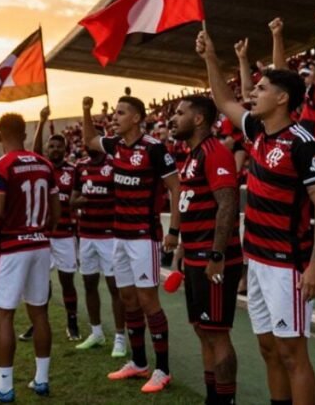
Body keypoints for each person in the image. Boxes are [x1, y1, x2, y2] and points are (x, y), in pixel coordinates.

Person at [198, 29, 315, 405]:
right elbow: (224, 101)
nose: (252, 94)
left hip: (287, 265)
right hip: (256, 261)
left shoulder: (303, 143)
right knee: (269, 350)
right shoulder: (257, 131)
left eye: (261, 89)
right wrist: (211, 57)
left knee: (293, 355)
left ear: (282, 98)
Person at [81, 95, 181, 394]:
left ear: (137, 118)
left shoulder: (154, 148)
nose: (115, 116)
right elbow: (89, 138)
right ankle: (138, 363)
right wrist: (87, 110)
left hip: (143, 237)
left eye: (121, 112)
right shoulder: (115, 145)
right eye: (115, 111)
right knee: (127, 298)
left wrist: (173, 230)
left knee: (149, 301)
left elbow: (176, 188)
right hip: (119, 235)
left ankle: (162, 369)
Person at [0, 113, 60, 404]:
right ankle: (42, 379)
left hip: (13, 247)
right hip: (40, 244)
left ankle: (5, 387)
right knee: (39, 313)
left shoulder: (2, 164)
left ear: (0, 135)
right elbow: (56, 214)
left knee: (3, 314)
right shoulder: (46, 164)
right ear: (23, 133)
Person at [170, 95, 242, 405]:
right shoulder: (192, 155)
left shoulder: (216, 152)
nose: (173, 118)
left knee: (217, 332)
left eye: (180, 113)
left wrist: (216, 256)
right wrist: (183, 249)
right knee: (202, 329)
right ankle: (212, 396)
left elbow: (227, 204)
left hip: (213, 261)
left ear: (198, 119)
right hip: (195, 257)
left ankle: (224, 401)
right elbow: (195, 209)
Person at [26, 106, 81, 341]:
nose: (55, 149)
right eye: (52, 146)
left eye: (59, 147)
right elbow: (35, 149)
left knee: (67, 280)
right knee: (40, 282)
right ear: (47, 149)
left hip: (66, 235)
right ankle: (39, 324)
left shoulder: (73, 170)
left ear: (66, 150)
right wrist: (41, 121)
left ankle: (72, 322)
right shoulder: (41, 167)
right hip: (43, 234)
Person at [70, 139, 128, 357]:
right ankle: (97, 333)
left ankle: (120, 338)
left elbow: (123, 197)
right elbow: (73, 200)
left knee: (115, 287)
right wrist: (80, 201)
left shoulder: (113, 164)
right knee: (89, 283)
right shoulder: (80, 166)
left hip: (108, 235)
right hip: (86, 234)